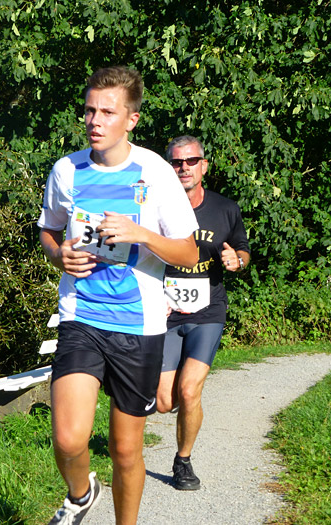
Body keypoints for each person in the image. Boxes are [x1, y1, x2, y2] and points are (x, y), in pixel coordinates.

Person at [37, 67, 199, 525]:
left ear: (131, 119)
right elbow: (48, 231)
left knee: (125, 450)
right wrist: (59, 255)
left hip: (138, 326)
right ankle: (82, 493)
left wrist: (140, 234)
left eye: (107, 112)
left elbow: (188, 253)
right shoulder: (66, 171)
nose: (95, 121)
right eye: (90, 110)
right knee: (68, 439)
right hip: (81, 315)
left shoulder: (156, 172)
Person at [156, 135, 250, 490]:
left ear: (204, 166)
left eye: (191, 161)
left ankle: (183, 462)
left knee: (190, 390)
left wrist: (237, 261)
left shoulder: (225, 208)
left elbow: (242, 249)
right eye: (177, 162)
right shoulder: (154, 208)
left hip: (208, 310)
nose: (184, 168)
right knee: (164, 402)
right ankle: (178, 399)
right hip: (165, 311)